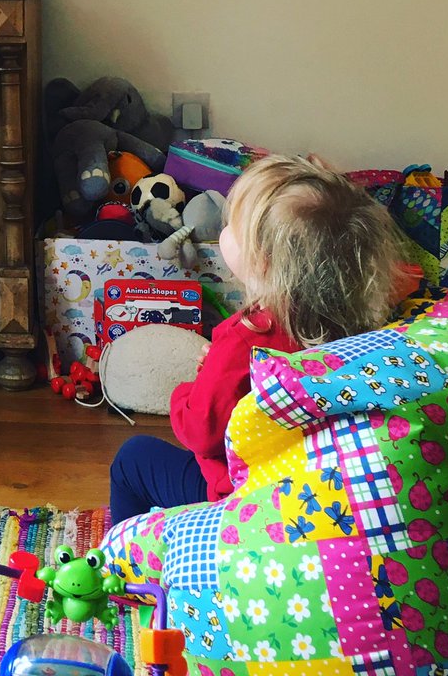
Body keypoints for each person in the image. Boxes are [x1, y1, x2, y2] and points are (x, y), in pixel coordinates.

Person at [108, 154, 405, 524]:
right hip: (316, 493)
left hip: (243, 503)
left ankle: (120, 564)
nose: (223, 227)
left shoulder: (247, 337)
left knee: (133, 459)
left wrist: (186, 391)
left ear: (261, 260)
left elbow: (200, 433)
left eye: (231, 224)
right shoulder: (364, 325)